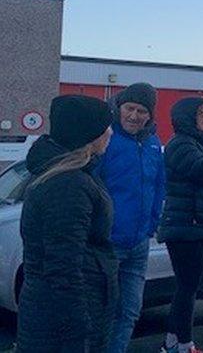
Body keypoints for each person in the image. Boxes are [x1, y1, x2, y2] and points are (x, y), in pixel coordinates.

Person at [17, 95, 118, 353]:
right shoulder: (69, 184)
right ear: (88, 134)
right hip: (64, 322)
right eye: (105, 126)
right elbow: (63, 266)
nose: (110, 132)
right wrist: (78, 328)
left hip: (65, 313)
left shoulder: (75, 176)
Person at [98, 82, 167, 353]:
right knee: (103, 312)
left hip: (139, 244)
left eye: (141, 111)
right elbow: (93, 185)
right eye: (130, 108)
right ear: (119, 107)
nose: (134, 116)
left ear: (150, 115)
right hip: (108, 243)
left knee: (129, 312)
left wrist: (151, 224)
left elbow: (159, 185)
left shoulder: (152, 143)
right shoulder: (106, 139)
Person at [157, 98, 203, 353]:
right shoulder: (181, 144)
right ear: (186, 117)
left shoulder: (200, 144)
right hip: (187, 227)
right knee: (187, 287)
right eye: (200, 113)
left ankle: (172, 341)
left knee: (190, 286)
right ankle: (183, 344)